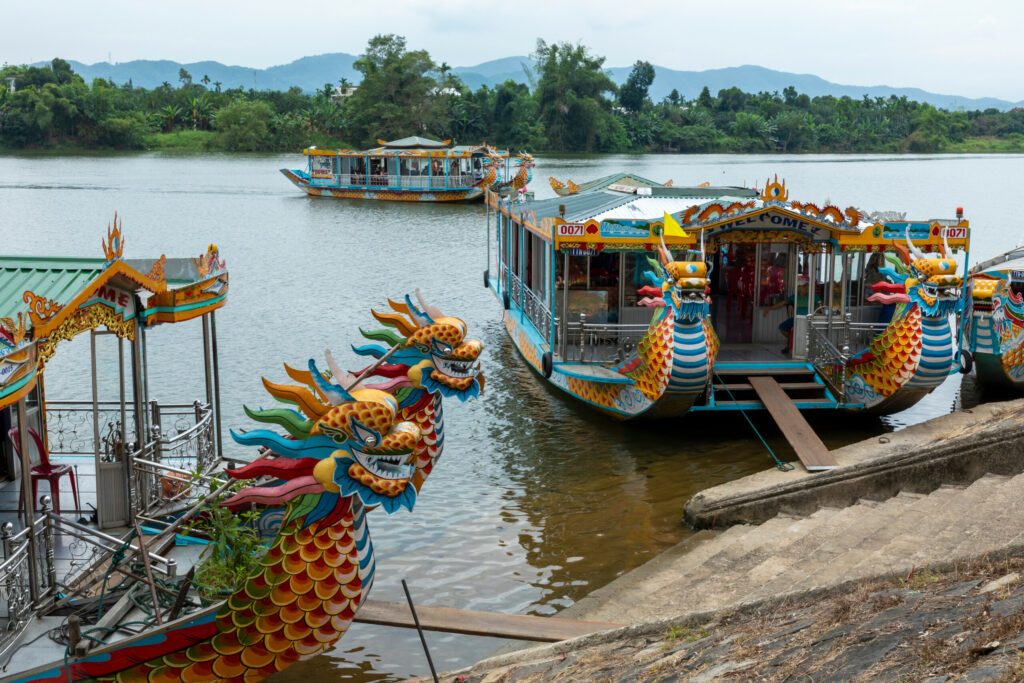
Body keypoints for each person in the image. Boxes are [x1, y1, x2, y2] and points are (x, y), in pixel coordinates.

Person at [762, 274, 810, 355]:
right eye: (801, 286)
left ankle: (793, 342)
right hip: (796, 319)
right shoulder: (794, 297)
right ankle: (792, 341)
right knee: (782, 328)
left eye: (805, 286)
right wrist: (769, 308)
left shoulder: (813, 297)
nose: (803, 288)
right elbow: (782, 303)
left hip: (808, 320)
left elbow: (820, 308)